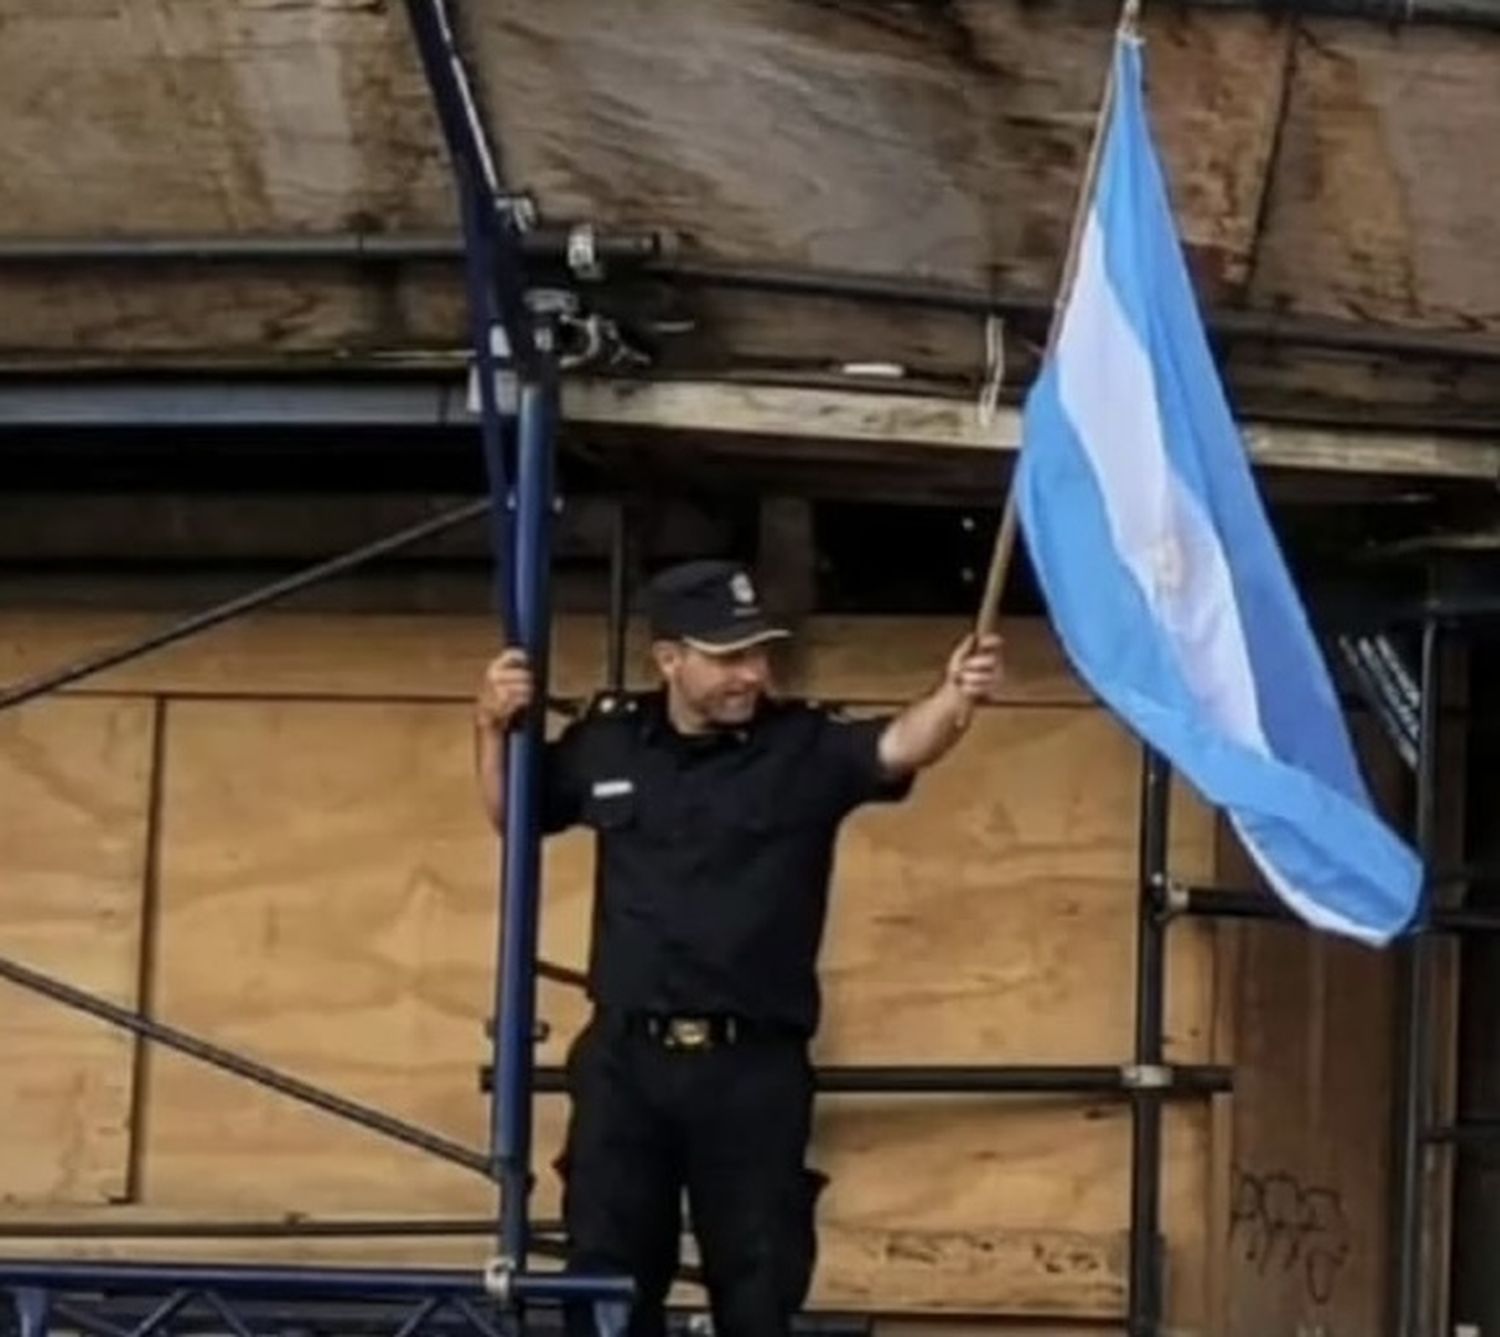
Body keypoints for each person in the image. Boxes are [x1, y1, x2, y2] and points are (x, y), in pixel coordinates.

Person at [474, 558, 1002, 1337]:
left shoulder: (800, 748)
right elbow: (514, 811)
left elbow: (897, 746)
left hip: (749, 1070)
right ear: (668, 660)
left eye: (759, 653)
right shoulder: (610, 742)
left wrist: (956, 697)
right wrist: (491, 725)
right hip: (627, 1062)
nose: (752, 673)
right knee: (607, 1288)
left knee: (757, 1291)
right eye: (728, 656)